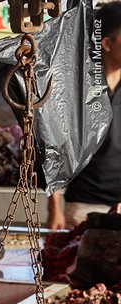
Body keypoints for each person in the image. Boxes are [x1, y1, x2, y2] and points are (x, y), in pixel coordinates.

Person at [47, 2, 121, 229]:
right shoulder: (78, 87)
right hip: (83, 204)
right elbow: (55, 148)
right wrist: (54, 208)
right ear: (106, 43)